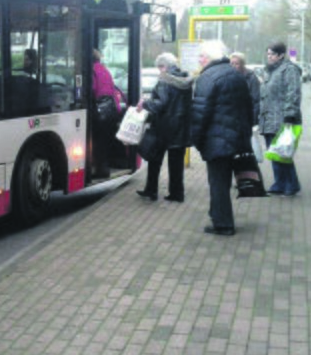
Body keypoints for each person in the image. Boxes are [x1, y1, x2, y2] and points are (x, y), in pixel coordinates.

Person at [191, 40, 253, 236]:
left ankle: (223, 224)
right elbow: (248, 108)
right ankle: (217, 213)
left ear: (210, 57)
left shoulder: (208, 77)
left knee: (218, 182)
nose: (199, 59)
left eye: (201, 56)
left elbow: (200, 114)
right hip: (236, 137)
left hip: (216, 139)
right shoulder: (236, 74)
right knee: (223, 182)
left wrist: (196, 139)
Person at [135, 53, 193, 202]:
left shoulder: (164, 80)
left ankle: (151, 190)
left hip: (163, 127)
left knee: (154, 159)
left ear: (164, 66)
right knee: (176, 163)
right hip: (180, 127)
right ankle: (176, 194)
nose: (159, 70)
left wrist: (145, 104)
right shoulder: (185, 79)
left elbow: (161, 104)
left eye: (159, 67)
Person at [258, 41, 302, 196]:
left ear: (281, 55)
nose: (269, 57)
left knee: (283, 154)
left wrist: (290, 114)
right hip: (269, 119)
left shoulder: (289, 70)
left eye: (272, 54)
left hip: (284, 119)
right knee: (274, 153)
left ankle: (292, 184)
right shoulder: (270, 71)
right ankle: (280, 183)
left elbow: (293, 93)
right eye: (268, 54)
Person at [92, 48, 122, 178]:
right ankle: (104, 168)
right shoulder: (105, 70)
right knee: (103, 141)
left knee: (96, 142)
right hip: (110, 111)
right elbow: (112, 90)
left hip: (98, 111)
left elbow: (92, 89)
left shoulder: (91, 71)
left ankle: (99, 169)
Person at [230, 52, 261, 125]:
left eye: (236, 64)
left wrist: (253, 119)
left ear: (242, 65)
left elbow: (256, 100)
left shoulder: (251, 78)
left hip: (245, 118)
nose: (233, 66)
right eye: (231, 63)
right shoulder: (228, 78)